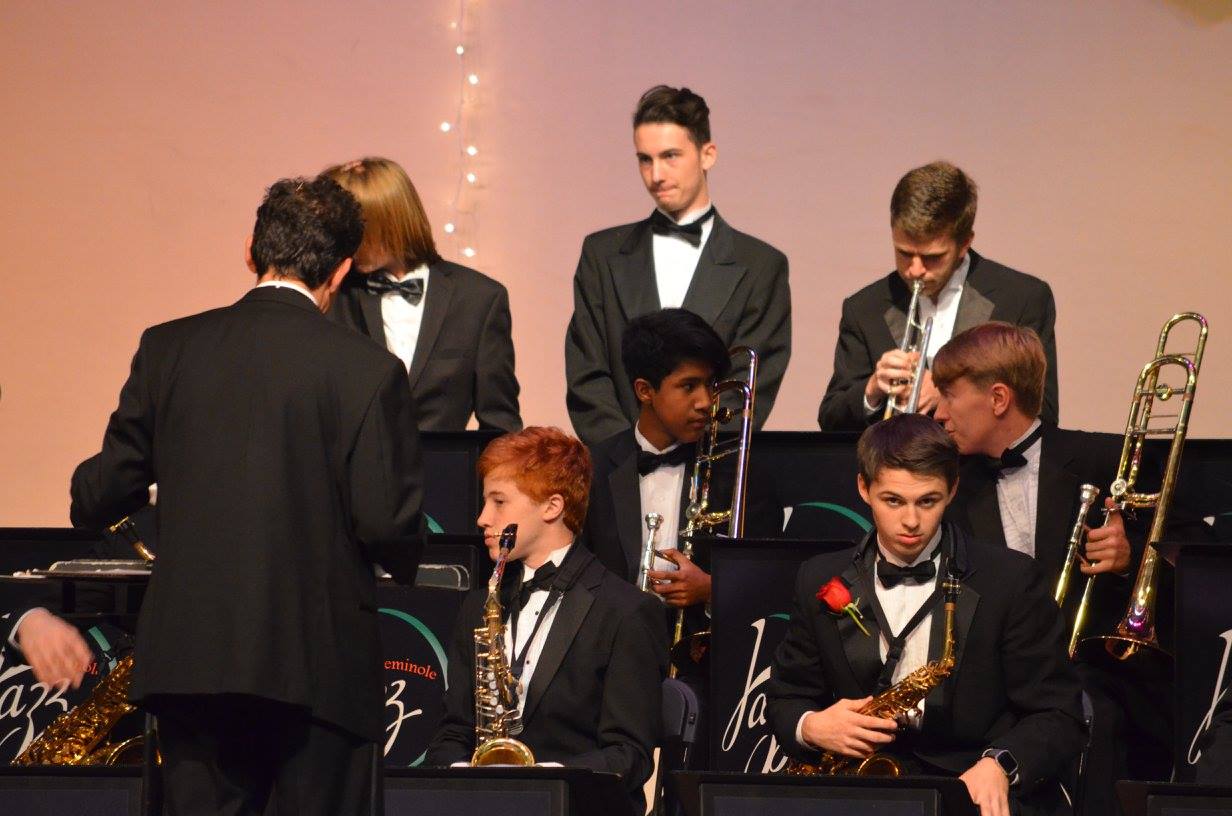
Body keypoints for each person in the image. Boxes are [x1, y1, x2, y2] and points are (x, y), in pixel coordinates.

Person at [41, 175, 426, 816]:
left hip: (191, 663)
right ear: (341, 270)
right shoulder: (368, 369)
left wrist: (93, 485)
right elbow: (385, 521)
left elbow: (102, 493)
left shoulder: (168, 348)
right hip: (318, 669)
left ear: (250, 251)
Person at [933, 321, 1207, 811]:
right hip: (995, 686)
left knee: (1096, 725)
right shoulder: (949, 482)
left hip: (1100, 681)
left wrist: (1131, 555)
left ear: (998, 399)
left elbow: (1200, 555)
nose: (938, 412)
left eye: (949, 395)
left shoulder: (1104, 458)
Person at [767, 414, 1085, 816]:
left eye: (927, 501)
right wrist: (811, 726)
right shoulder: (817, 577)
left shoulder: (1011, 580)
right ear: (864, 488)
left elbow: (1058, 712)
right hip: (857, 788)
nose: (911, 521)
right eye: (893, 501)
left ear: (952, 490)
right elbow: (787, 696)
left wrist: (1001, 764)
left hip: (969, 785)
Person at [426, 427, 666, 815]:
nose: (482, 518)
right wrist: (466, 778)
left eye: (499, 501)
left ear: (552, 507)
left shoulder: (627, 612)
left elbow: (629, 755)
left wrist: (543, 783)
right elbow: (453, 732)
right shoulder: (478, 605)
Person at [565, 85, 791, 447]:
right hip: (618, 464)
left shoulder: (762, 266)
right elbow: (587, 376)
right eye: (645, 159)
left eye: (670, 156)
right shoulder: (601, 255)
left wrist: (693, 459)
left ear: (707, 155)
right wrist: (630, 454)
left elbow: (747, 390)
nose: (656, 175)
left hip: (711, 465)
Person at [818, 161, 1058, 431]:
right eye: (904, 253)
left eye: (932, 257)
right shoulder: (864, 308)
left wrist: (948, 394)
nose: (915, 270)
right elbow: (831, 418)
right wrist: (873, 390)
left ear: (964, 243)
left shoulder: (1022, 299)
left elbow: (1043, 415)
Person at [325, 156, 521, 432]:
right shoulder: (334, 295)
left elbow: (500, 425)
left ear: (393, 220)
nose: (348, 242)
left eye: (357, 230)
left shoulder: (479, 298)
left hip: (442, 461)